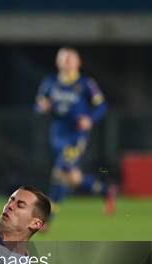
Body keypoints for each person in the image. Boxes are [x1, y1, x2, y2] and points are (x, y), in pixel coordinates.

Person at [35, 47, 116, 228]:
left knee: (60, 171)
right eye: (64, 59)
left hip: (76, 137)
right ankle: (106, 190)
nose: (67, 62)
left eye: (71, 59)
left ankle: (47, 218)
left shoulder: (86, 83)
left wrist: (90, 119)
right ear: (58, 62)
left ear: (78, 62)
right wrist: (43, 107)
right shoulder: (50, 83)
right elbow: (39, 105)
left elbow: (101, 106)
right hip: (57, 135)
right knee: (73, 177)